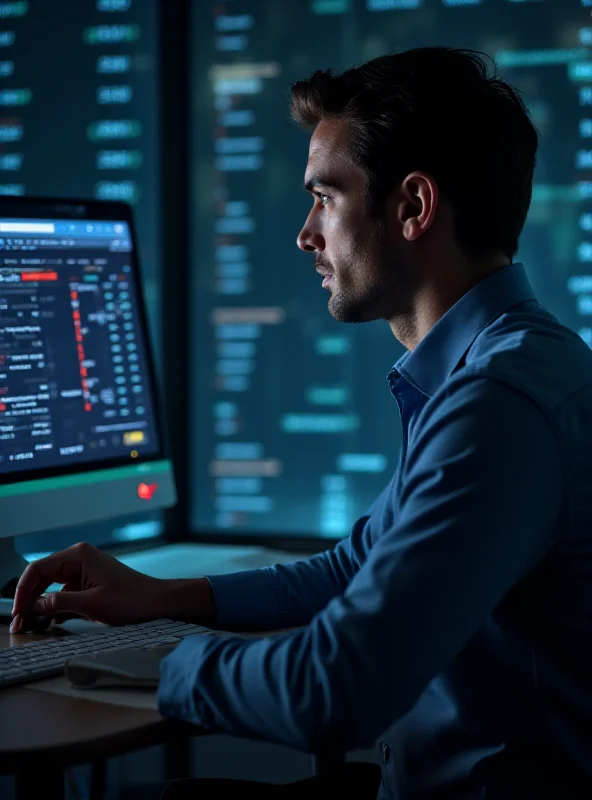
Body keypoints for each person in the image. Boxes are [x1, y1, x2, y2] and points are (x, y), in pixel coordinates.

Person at [10, 46, 592, 799]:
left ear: (413, 207)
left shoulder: (499, 403)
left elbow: (338, 690)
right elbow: (356, 568)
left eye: (326, 196)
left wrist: (159, 659)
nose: (305, 234)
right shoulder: (508, 365)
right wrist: (162, 599)